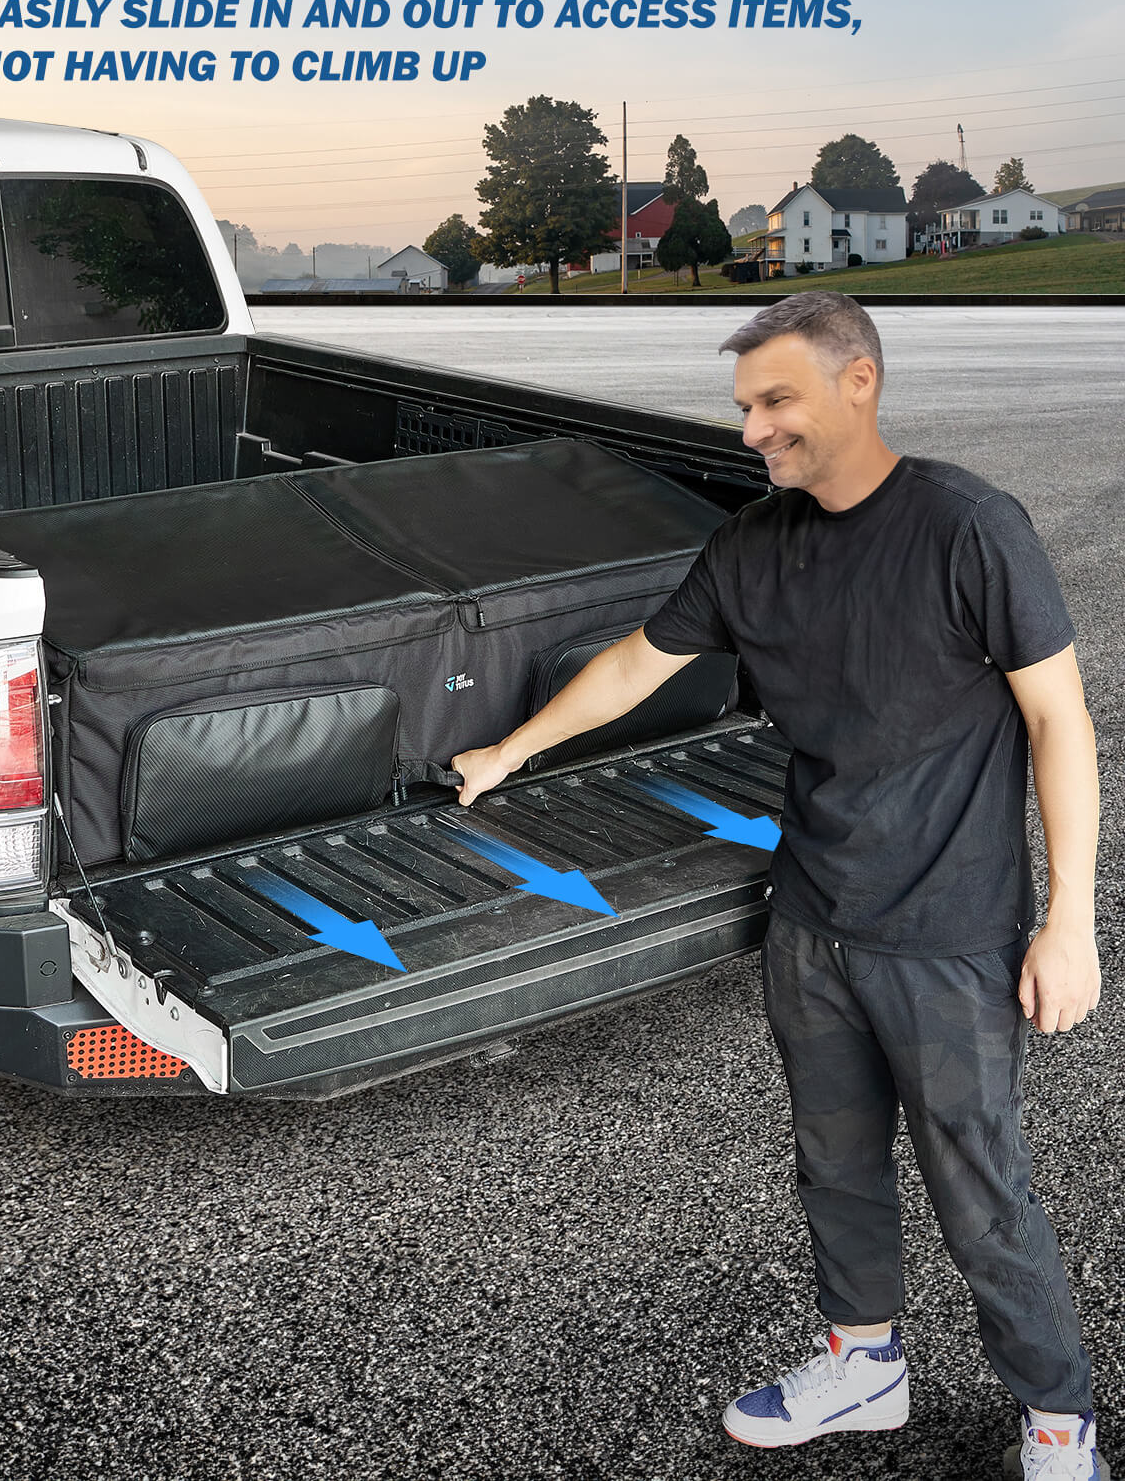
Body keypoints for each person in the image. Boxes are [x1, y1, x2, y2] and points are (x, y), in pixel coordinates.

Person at [450, 293, 1104, 1479]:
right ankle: (866, 1365)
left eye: (777, 401)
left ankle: (1057, 1419)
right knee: (836, 1155)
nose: (752, 428)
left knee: (980, 1188)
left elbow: (1060, 718)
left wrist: (1071, 920)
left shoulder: (970, 527)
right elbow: (638, 663)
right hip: (813, 916)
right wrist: (512, 748)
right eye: (746, 405)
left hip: (949, 929)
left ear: (861, 384)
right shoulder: (755, 543)